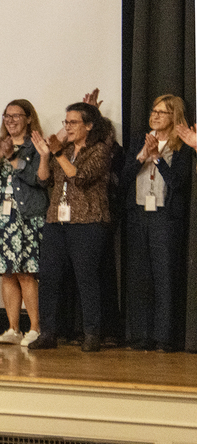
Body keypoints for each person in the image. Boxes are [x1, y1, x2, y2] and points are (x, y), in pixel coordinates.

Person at [29, 102, 113, 352]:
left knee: (86, 278)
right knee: (50, 277)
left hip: (87, 221)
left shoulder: (99, 150)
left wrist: (57, 154)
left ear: (89, 125)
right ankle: (48, 333)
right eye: (66, 122)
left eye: (73, 122)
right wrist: (45, 156)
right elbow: (43, 180)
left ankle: (92, 334)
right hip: (57, 219)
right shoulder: (62, 149)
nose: (68, 127)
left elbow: (80, 177)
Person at [121, 95, 194, 352]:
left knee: (164, 276)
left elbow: (178, 182)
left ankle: (164, 337)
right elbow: (124, 178)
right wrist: (143, 155)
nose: (155, 115)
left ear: (174, 116)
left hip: (165, 216)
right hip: (139, 213)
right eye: (153, 111)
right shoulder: (141, 140)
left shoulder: (181, 146)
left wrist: (158, 159)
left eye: (162, 112)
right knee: (141, 277)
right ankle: (142, 335)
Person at [0, 99, 48, 346]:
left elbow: (40, 180)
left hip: (26, 217)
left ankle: (36, 328)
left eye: (16, 116)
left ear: (29, 118)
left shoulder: (36, 146)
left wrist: (13, 159)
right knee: (7, 273)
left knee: (26, 273)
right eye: (7, 116)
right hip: (1, 216)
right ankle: (13, 328)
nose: (10, 120)